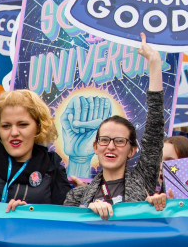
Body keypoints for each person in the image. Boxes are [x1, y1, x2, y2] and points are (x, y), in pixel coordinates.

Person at [64, 33, 165, 220]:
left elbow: (155, 127)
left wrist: (154, 63)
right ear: (95, 147)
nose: (110, 146)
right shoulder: (77, 196)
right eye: (104, 140)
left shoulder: (143, 181)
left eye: (119, 141)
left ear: (132, 150)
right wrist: (88, 209)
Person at [0, 88, 72, 212]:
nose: (14, 133)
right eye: (6, 126)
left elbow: (64, 220)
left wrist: (28, 215)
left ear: (39, 127)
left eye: (23, 124)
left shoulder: (53, 168)